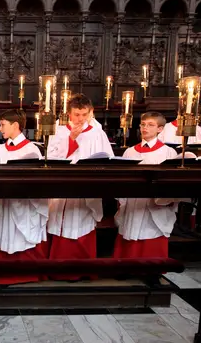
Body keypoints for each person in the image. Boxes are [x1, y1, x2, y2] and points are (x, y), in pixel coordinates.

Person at [46, 94, 113, 280]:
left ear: (91, 113)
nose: (80, 119)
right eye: (76, 114)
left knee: (84, 223)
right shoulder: (58, 131)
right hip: (64, 188)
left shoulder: (97, 133)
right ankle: (59, 272)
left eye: (85, 114)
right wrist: (71, 140)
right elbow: (50, 159)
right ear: (69, 113)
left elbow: (108, 158)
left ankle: (85, 270)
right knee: (62, 224)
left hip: (87, 188)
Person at [0, 109, 48, 286]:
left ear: (15, 125)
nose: (0, 128)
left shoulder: (32, 150)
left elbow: (37, 181)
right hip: (3, 203)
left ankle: (25, 274)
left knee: (22, 235)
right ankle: (1, 274)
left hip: (23, 202)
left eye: (3, 124)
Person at [115, 112, 179, 258]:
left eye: (151, 125)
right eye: (143, 124)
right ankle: (126, 266)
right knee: (129, 231)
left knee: (151, 233)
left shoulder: (168, 153)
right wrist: (121, 200)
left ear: (160, 129)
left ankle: (151, 270)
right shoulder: (130, 152)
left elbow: (171, 181)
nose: (145, 128)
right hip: (133, 202)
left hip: (154, 203)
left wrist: (166, 200)